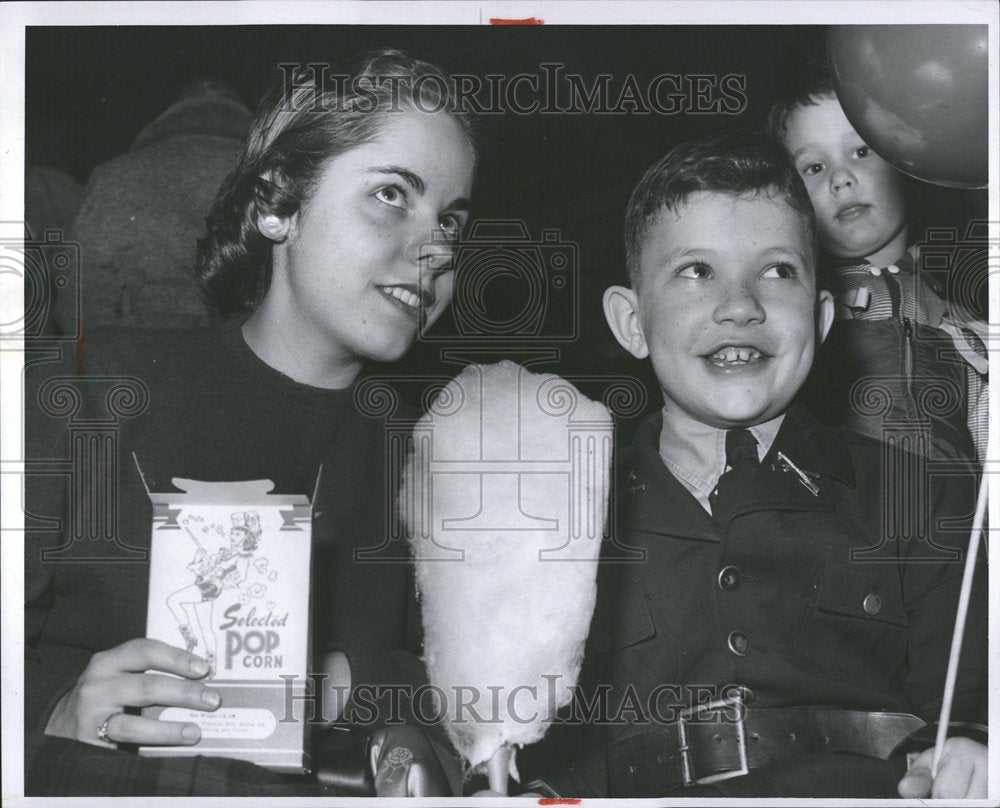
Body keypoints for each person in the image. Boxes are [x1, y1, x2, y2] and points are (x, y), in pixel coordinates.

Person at [25, 49, 476, 796]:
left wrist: (380, 709)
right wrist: (51, 713)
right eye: (393, 194)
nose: (435, 250)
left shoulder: (433, 455)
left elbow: (470, 694)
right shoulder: (78, 390)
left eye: (452, 222)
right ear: (277, 205)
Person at [514, 129, 986, 799]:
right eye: (696, 271)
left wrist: (973, 749)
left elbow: (972, 711)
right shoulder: (555, 516)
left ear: (822, 321)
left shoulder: (927, 500)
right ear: (631, 322)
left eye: (777, 270)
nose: (740, 305)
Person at [767, 60, 988, 464]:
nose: (841, 178)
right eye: (814, 167)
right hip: (844, 508)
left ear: (907, 161)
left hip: (950, 508)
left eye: (861, 151)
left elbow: (982, 421)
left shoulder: (959, 296)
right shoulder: (799, 301)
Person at [53, 77, 253, 334]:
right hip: (246, 359)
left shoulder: (115, 175)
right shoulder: (273, 175)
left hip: (137, 354)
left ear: (169, 109)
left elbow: (76, 288)